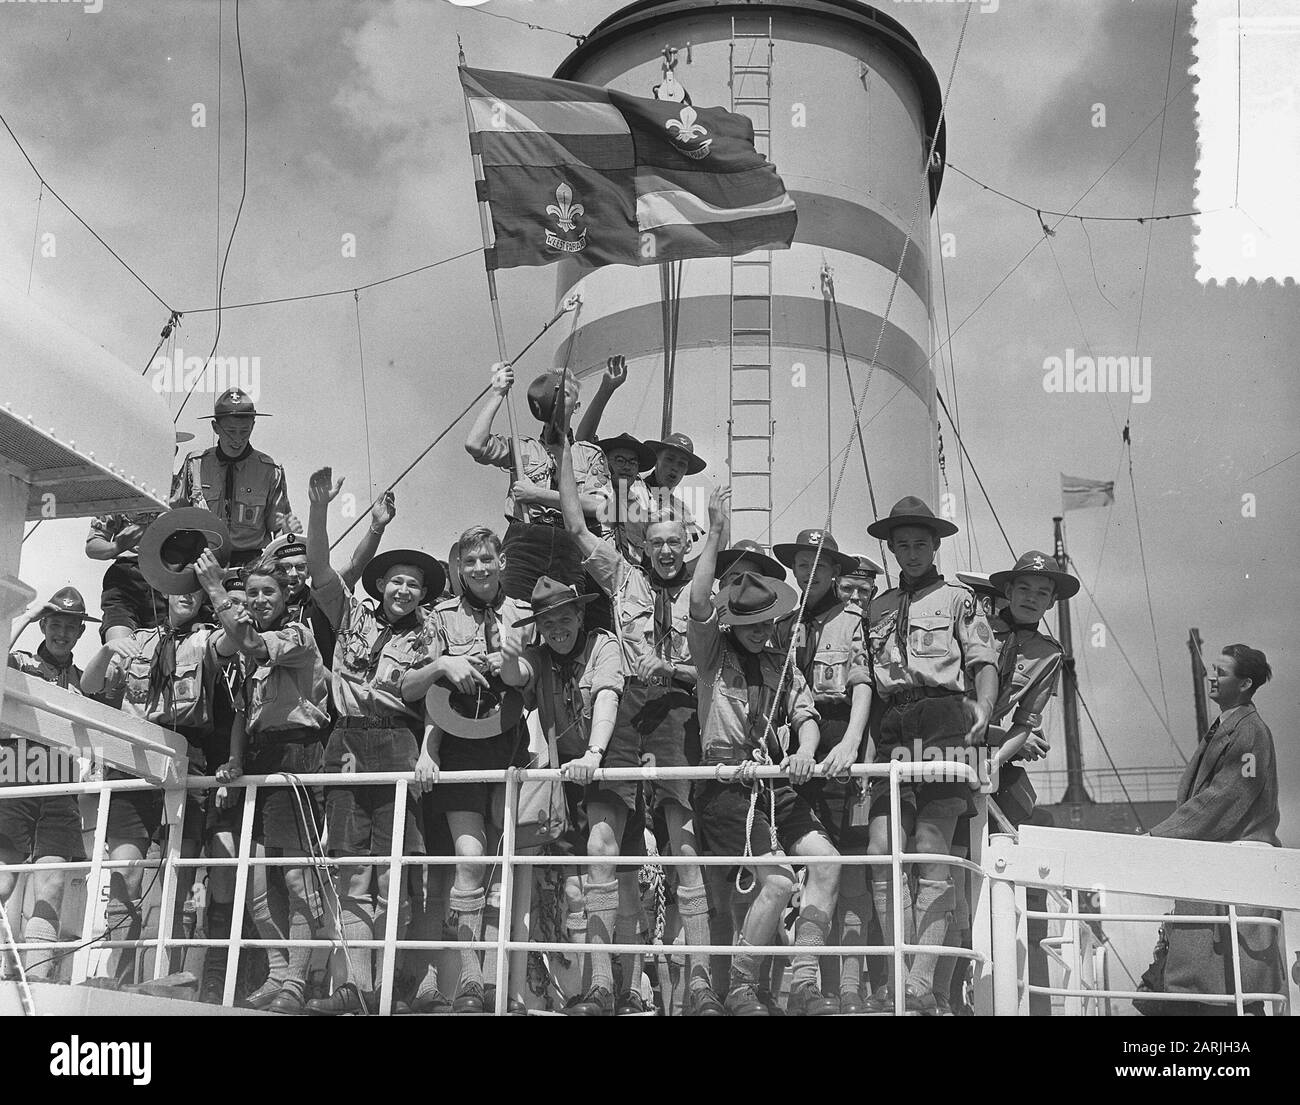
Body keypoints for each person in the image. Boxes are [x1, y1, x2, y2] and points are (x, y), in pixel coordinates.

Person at [557, 434, 723, 1016]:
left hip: (679, 713)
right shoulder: (623, 578)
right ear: (642, 544)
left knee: (683, 843)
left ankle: (699, 984)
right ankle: (603, 984)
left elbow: (708, 666)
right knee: (603, 842)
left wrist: (669, 666)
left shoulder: (707, 591)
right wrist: (561, 456)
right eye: (656, 542)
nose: (666, 551)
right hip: (625, 714)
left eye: (676, 541)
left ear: (688, 543)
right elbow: (578, 528)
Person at [688, 488, 842, 1017]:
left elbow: (806, 716)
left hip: (773, 784)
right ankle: (741, 985)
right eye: (748, 626)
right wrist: (714, 535)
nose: (757, 634)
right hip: (727, 785)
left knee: (827, 863)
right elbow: (698, 604)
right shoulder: (711, 656)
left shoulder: (781, 663)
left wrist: (803, 751)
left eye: (764, 625)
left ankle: (803, 983)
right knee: (776, 880)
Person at [303, 466, 443, 1014]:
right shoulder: (350, 617)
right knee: (351, 866)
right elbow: (317, 568)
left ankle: (388, 986)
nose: (404, 589)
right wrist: (323, 509)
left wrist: (429, 751)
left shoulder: (433, 633)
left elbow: (436, 705)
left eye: (414, 583)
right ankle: (353, 985)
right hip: (346, 742)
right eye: (396, 581)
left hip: (400, 743)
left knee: (394, 868)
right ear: (380, 585)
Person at [862, 496, 998, 1015]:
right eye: (903, 545)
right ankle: (901, 976)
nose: (912, 552)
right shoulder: (875, 608)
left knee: (930, 846)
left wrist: (982, 709)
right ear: (891, 548)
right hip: (892, 721)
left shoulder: (959, 599)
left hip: (943, 717)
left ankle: (918, 983)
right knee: (882, 849)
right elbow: (863, 677)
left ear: (936, 545)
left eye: (921, 543)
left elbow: (983, 661)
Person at [191, 550, 331, 1014]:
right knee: (256, 879)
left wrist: (215, 590)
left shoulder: (295, 635)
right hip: (259, 757)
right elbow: (241, 713)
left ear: (286, 595)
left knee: (295, 875)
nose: (258, 599)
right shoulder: (249, 641)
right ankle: (276, 972)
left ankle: (295, 982)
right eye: (249, 592)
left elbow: (251, 645)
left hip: (297, 753)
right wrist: (233, 761)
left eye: (267, 591)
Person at [406, 524, 536, 1014]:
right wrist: (428, 750)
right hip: (458, 746)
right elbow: (422, 690)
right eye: (469, 561)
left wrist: (509, 664)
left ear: (501, 561)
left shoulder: (523, 613)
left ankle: (510, 987)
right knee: (469, 861)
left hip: (509, 746)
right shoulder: (440, 617)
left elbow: (526, 681)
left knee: (507, 867)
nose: (479, 568)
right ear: (458, 567)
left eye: (487, 558)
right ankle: (469, 983)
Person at [81, 581, 229, 991]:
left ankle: (166, 978)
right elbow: (91, 687)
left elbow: (233, 643)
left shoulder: (208, 640)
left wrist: (220, 592)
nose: (186, 596)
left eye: (195, 590)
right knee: (126, 873)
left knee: (177, 881)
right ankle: (121, 976)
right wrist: (110, 648)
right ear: (162, 592)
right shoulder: (138, 641)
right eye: (177, 588)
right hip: (132, 765)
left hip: (187, 763)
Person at [499, 575, 625, 1016]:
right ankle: (585, 987)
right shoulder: (539, 657)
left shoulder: (602, 645)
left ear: (579, 616)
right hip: (566, 777)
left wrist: (594, 753)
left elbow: (607, 695)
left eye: (563, 619)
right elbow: (518, 677)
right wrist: (509, 657)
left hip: (609, 760)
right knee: (574, 887)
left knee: (600, 854)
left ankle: (605, 989)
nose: (557, 629)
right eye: (547, 622)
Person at [1140, 644, 1282, 1015]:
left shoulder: (1249, 733)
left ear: (1246, 683)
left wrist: (1159, 837)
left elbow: (1227, 796)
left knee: (1223, 989)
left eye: (1221, 672)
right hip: (1213, 870)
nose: (1211, 677)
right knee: (1205, 986)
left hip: (1231, 871)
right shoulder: (1230, 726)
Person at [772, 528, 874, 1014]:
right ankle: (800, 985)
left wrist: (852, 744)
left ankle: (847, 988)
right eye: (801, 564)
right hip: (795, 748)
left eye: (821, 566)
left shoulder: (852, 618)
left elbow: (860, 684)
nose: (809, 574)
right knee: (800, 866)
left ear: (836, 572)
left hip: (839, 744)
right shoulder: (782, 622)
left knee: (846, 870)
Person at [464, 364, 614, 613]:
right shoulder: (523, 447)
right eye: (553, 393)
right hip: (525, 539)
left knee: (568, 616)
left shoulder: (589, 454)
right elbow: (475, 445)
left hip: (571, 542)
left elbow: (599, 506)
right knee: (513, 613)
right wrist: (498, 393)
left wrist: (537, 494)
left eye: (565, 394)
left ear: (576, 407)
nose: (557, 399)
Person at [1, 588, 96, 981]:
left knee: (52, 880)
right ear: (43, 624)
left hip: (60, 774)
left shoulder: (83, 678)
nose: (61, 633)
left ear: (78, 633)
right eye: (54, 623)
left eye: (69, 626)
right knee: (3, 876)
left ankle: (38, 975)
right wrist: (26, 613)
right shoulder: (18, 661)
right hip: (13, 766)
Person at [263, 489, 393, 670]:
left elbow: (355, 567)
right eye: (285, 568)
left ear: (310, 571)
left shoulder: (322, 599)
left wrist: (376, 528)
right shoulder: (262, 604)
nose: (293, 574)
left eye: (300, 567)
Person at [171, 388, 297, 567]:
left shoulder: (269, 470)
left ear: (253, 426)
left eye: (244, 431)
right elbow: (175, 516)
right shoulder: (196, 464)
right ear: (215, 428)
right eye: (230, 431)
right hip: (202, 560)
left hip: (249, 564)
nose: (237, 439)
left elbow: (278, 527)